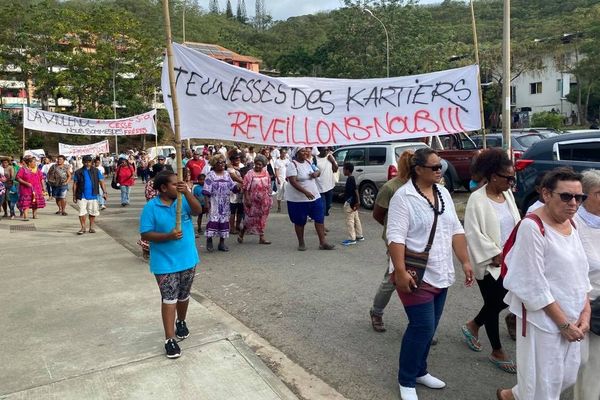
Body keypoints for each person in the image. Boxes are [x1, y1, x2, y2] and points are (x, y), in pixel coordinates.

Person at [386, 148, 473, 400]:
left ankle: (420, 370)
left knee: (430, 326)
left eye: (441, 166)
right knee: (421, 326)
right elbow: (395, 238)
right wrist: (400, 272)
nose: (440, 170)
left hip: (440, 270)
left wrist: (465, 261)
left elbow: (456, 230)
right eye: (434, 167)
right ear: (418, 169)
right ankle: (406, 379)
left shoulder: (442, 192)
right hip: (415, 273)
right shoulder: (403, 197)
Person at [497, 167, 591, 400]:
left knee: (567, 376)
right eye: (566, 196)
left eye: (579, 197)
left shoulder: (573, 223)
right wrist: (564, 325)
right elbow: (533, 284)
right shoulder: (533, 227)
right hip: (543, 320)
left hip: (573, 315)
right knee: (544, 386)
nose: (574, 203)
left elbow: (581, 272)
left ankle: (512, 396)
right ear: (547, 194)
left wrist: (585, 312)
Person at [462, 148, 520, 374]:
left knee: (501, 301)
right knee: (496, 304)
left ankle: (473, 325)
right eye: (508, 178)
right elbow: (473, 233)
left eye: (513, 178)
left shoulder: (508, 195)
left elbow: (516, 223)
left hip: (511, 259)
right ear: (493, 175)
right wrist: (493, 254)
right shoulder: (477, 200)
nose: (511, 182)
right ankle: (497, 350)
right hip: (489, 263)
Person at [139, 171, 203, 358]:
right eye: (175, 184)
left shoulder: (182, 201)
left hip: (188, 259)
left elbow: (198, 211)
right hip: (164, 263)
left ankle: (181, 322)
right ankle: (170, 339)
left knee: (183, 296)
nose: (178, 186)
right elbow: (145, 233)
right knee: (169, 298)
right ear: (163, 188)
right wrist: (168, 236)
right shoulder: (151, 207)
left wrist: (188, 193)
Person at [369, 151, 414, 333]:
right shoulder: (391, 187)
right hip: (397, 242)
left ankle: (422, 324)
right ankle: (376, 312)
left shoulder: (425, 186)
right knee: (392, 280)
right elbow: (378, 215)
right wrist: (394, 231)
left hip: (421, 243)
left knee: (421, 282)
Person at [574, 169, 600, 400]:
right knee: (578, 362)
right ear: (585, 195)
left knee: (594, 365)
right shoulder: (572, 223)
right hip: (580, 302)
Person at [285, 147, 334, 251]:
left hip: (314, 196)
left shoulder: (308, 162)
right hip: (298, 199)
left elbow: (317, 170)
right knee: (299, 221)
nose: (306, 152)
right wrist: (305, 192)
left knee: (319, 218)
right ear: (297, 153)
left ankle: (323, 242)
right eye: (302, 151)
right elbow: (293, 182)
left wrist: (316, 173)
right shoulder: (292, 165)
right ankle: (301, 243)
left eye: (306, 150)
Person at [202, 154, 239, 252]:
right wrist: (206, 204)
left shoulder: (227, 174)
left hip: (225, 203)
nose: (222, 164)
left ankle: (221, 243)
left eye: (223, 162)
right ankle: (209, 241)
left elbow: (232, 186)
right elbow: (206, 190)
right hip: (214, 202)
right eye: (219, 162)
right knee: (213, 221)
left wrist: (238, 187)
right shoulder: (211, 175)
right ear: (214, 164)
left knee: (224, 221)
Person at [237, 154, 273, 245]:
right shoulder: (250, 173)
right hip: (252, 200)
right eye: (256, 164)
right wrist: (247, 199)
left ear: (263, 165)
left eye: (260, 164)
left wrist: (270, 198)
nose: (257, 166)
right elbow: (245, 188)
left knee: (262, 218)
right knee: (250, 219)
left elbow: (268, 186)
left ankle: (262, 237)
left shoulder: (266, 173)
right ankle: (242, 232)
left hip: (264, 200)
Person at [72, 155, 108, 235]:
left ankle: (91, 227)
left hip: (93, 195)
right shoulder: (78, 172)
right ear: (82, 162)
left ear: (91, 162)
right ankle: (83, 227)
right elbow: (75, 184)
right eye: (85, 162)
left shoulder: (96, 171)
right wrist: (74, 195)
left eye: (89, 162)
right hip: (81, 195)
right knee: (82, 212)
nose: (87, 163)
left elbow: (101, 181)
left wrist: (105, 192)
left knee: (93, 212)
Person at [16, 155, 46, 221]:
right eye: (34, 162)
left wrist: (43, 187)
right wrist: (26, 183)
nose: (35, 164)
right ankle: (25, 216)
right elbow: (18, 178)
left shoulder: (37, 170)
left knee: (35, 202)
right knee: (25, 203)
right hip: (25, 189)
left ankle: (34, 215)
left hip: (37, 189)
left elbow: (42, 179)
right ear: (29, 163)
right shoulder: (23, 169)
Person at [341, 162, 363, 246]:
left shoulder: (350, 179)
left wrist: (357, 201)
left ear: (347, 170)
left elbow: (355, 190)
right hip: (353, 202)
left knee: (350, 220)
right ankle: (359, 235)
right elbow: (351, 190)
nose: (343, 171)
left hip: (350, 203)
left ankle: (352, 238)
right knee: (356, 219)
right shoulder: (351, 178)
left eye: (343, 169)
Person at [315, 147, 339, 219]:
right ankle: (321, 225)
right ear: (319, 150)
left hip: (329, 187)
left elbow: (335, 170)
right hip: (319, 187)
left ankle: (320, 221)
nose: (326, 152)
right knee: (322, 208)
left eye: (327, 150)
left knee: (328, 206)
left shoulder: (330, 157)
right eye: (324, 150)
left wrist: (333, 161)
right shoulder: (315, 159)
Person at [227, 151, 244, 234]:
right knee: (233, 211)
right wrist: (244, 181)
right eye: (235, 158)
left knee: (240, 210)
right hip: (233, 192)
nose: (237, 159)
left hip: (242, 191)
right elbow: (233, 177)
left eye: (238, 158)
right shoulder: (230, 168)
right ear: (232, 160)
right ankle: (232, 228)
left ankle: (238, 225)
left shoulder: (242, 166)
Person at [274, 148, 289, 213]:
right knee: (280, 192)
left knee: (288, 192)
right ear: (280, 153)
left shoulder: (287, 160)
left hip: (286, 179)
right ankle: (279, 207)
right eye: (283, 153)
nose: (284, 154)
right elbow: (276, 170)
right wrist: (277, 179)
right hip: (280, 178)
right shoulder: (277, 161)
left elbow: (289, 169)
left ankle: (289, 206)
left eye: (285, 153)